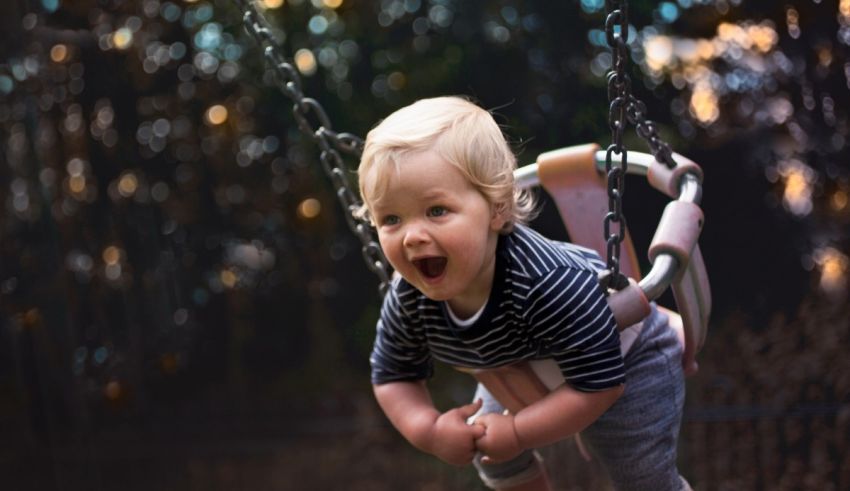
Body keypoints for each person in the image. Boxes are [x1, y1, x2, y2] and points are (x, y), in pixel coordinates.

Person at [357, 96, 688, 491]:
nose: (412, 236)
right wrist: (428, 430)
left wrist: (516, 431)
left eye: (436, 211)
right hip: (521, 365)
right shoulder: (408, 298)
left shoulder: (545, 284)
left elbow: (600, 385)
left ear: (497, 209)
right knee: (492, 454)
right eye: (391, 218)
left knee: (641, 478)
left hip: (627, 359)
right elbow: (392, 375)